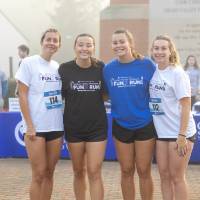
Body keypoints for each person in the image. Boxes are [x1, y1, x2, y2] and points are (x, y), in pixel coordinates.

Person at [103, 29, 157, 200]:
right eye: (115, 42)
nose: (118, 45)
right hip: (121, 125)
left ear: (130, 43)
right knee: (126, 170)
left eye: (122, 41)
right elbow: (104, 94)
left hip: (144, 124)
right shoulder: (108, 69)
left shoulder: (147, 65)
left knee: (143, 170)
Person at [15, 28, 64, 200]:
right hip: (35, 128)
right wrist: (29, 125)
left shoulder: (58, 67)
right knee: (39, 174)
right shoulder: (28, 63)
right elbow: (22, 95)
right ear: (42, 42)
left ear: (59, 45)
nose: (51, 42)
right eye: (48, 39)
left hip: (56, 126)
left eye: (55, 40)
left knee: (50, 173)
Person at [58, 33, 108, 200]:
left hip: (97, 128)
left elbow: (106, 95)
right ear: (75, 47)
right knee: (78, 171)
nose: (84, 48)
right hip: (74, 127)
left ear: (93, 48)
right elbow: (59, 95)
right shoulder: (64, 69)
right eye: (81, 45)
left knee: (94, 171)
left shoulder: (101, 68)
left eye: (88, 45)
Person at [149, 35, 196, 200]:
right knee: (164, 176)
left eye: (163, 48)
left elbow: (186, 105)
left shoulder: (177, 73)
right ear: (152, 51)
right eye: (156, 48)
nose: (159, 52)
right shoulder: (152, 70)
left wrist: (182, 135)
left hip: (180, 133)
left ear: (170, 51)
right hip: (162, 133)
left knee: (177, 177)